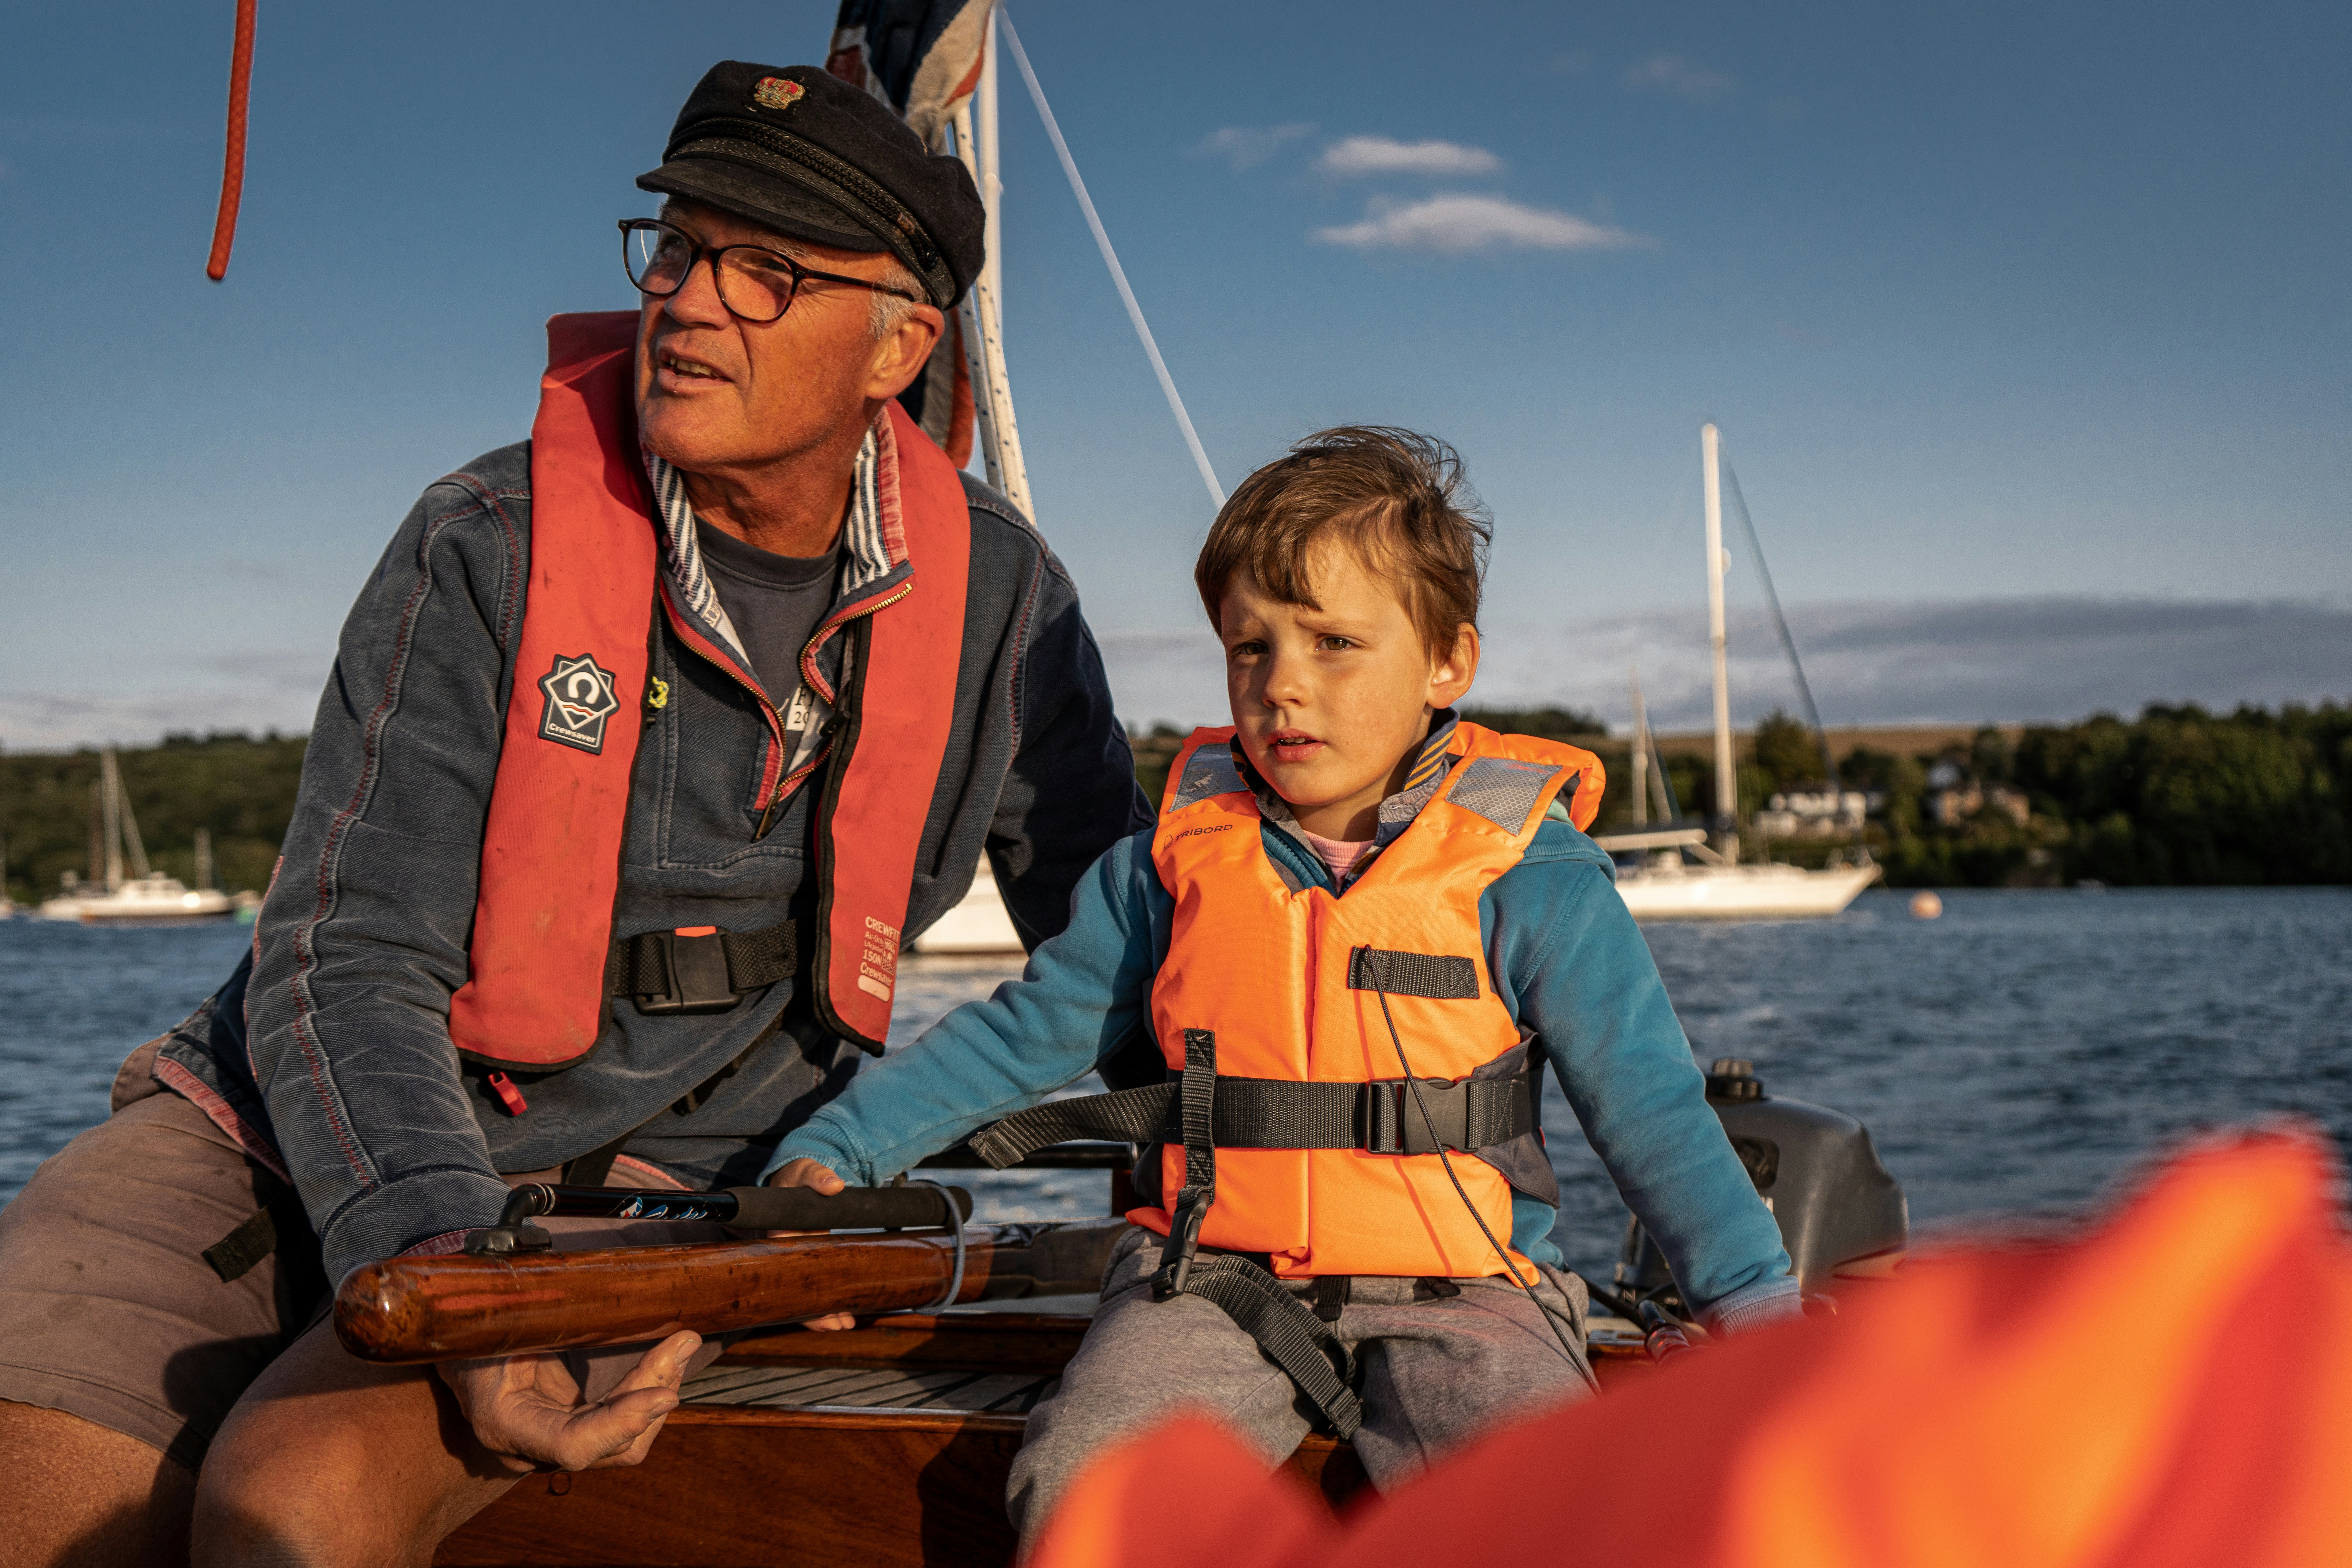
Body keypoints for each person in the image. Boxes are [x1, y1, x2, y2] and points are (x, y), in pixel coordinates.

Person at [0, 61, 1145, 1567]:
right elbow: (344, 954)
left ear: (902, 345)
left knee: (297, 1503)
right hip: (272, 1125)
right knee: (33, 1488)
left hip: (643, 1191)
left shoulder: (1002, 604)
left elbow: (1135, 953)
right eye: (678, 250)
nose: (689, 300)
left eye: (767, 271)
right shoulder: (484, 543)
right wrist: (436, 1251)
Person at [768, 427, 1803, 1548]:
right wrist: (845, 1152)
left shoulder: (1533, 876)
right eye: (1249, 648)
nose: (1282, 686)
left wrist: (1754, 1307)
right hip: (1204, 1284)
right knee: (1091, 1491)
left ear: (1449, 663)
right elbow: (1020, 1038)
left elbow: (1651, 1111)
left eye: (1335, 642)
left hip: (1475, 1297)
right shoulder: (1165, 870)